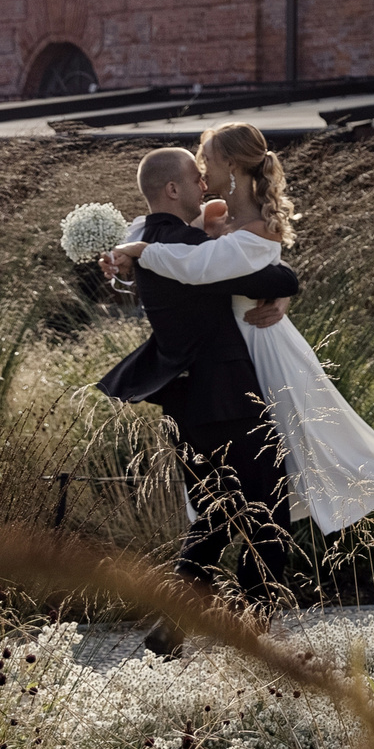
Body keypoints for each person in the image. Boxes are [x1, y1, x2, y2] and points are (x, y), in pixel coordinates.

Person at [102, 122, 374, 538]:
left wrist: (138, 251)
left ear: (233, 165)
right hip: (233, 352)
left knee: (311, 439)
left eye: (207, 161)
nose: (202, 173)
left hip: (262, 341)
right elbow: (185, 253)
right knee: (277, 458)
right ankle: (254, 560)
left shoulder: (259, 226)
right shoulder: (212, 215)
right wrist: (126, 259)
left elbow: (210, 267)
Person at [95, 145, 302, 650]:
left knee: (219, 509)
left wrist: (125, 260)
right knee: (269, 507)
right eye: (194, 179)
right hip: (226, 394)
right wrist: (287, 285)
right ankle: (255, 630)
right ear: (172, 190)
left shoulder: (140, 237)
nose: (203, 186)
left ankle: (175, 622)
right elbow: (274, 275)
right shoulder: (189, 250)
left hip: (183, 403)